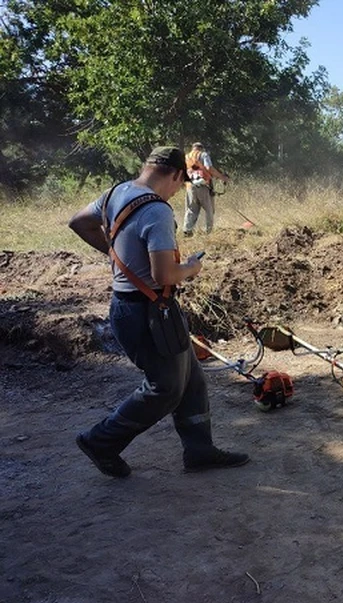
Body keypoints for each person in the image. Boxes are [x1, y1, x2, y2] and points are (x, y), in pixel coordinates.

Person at [67, 146, 249, 478]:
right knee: (164, 388)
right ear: (178, 175)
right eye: (180, 185)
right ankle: (101, 441)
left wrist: (114, 253)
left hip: (136, 308)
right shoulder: (157, 211)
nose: (178, 191)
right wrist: (191, 268)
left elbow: (78, 222)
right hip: (147, 314)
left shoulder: (116, 193)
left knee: (190, 379)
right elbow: (164, 275)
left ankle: (200, 451)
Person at [183, 142, 228, 236]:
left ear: (193, 148)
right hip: (203, 186)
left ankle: (187, 230)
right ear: (201, 148)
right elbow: (209, 168)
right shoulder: (203, 154)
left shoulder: (187, 157)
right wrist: (222, 177)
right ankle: (209, 232)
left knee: (191, 209)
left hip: (190, 186)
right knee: (209, 209)